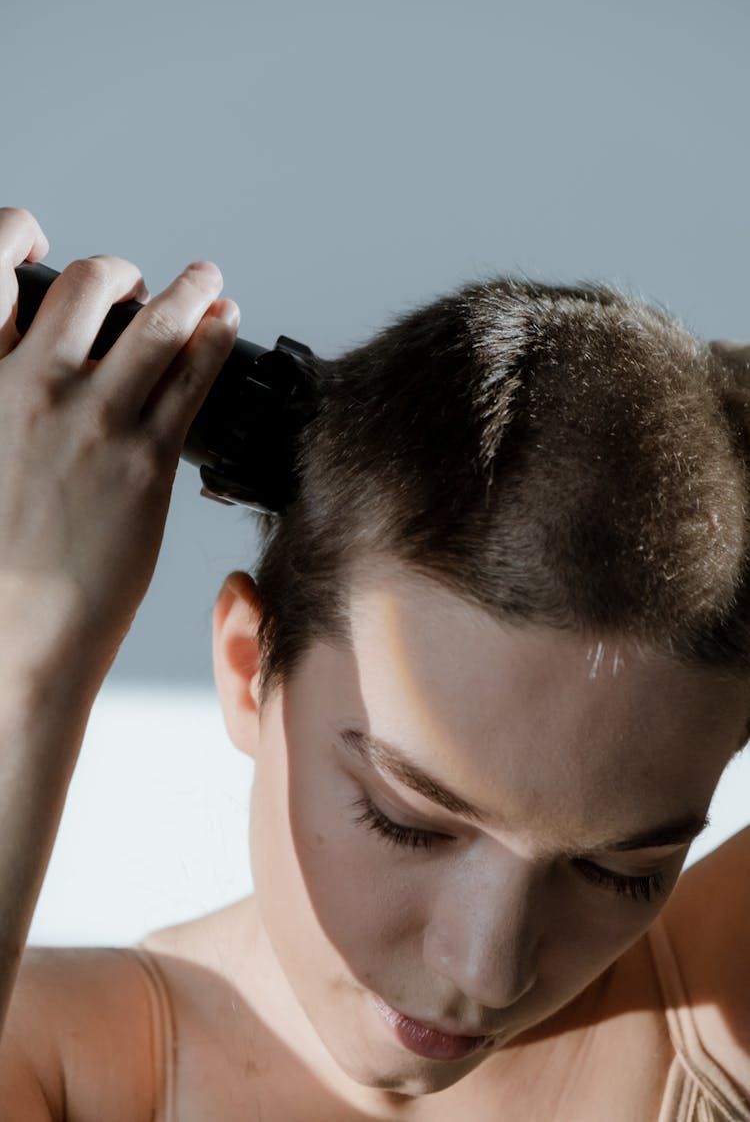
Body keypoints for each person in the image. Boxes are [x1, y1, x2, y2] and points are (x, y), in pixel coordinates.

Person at [0, 204, 747, 1122]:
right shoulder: (57, 1065)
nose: (487, 968)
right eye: (407, 821)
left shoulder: (721, 1018)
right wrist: (31, 637)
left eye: (620, 871)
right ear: (247, 665)